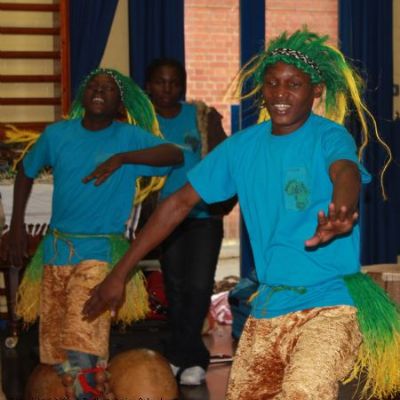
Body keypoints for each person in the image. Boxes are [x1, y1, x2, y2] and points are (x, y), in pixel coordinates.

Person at [83, 30, 400, 400]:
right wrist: (120, 272)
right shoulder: (241, 147)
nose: (281, 93)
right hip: (268, 307)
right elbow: (177, 204)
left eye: (294, 84)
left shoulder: (329, 136)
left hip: (329, 304)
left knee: (304, 390)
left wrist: (342, 208)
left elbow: (344, 171)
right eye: (272, 83)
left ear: (316, 91)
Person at [6, 68, 183, 399]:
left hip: (100, 254)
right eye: (93, 85)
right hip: (56, 250)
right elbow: (25, 172)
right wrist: (17, 227)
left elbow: (174, 155)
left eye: (109, 88)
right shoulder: (57, 135)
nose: (100, 90)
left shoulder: (128, 137)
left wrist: (122, 159)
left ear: (120, 103)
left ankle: (88, 387)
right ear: (82, 96)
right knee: (58, 352)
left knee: (82, 347)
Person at [143, 58, 235, 385]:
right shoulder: (141, 122)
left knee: (198, 287)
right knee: (175, 287)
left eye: (173, 82)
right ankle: (184, 354)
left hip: (201, 216)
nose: (166, 88)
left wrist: (221, 201)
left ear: (182, 85)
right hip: (164, 219)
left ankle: (187, 357)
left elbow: (225, 159)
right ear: (148, 85)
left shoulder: (200, 116)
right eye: (159, 81)